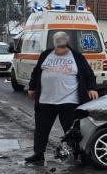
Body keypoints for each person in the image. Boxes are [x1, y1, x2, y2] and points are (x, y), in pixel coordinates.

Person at [25, 32, 99, 164]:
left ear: (67, 40)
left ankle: (77, 156)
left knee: (72, 131)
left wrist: (92, 88)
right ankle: (38, 154)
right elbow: (36, 72)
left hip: (69, 101)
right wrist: (32, 87)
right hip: (45, 100)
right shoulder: (45, 55)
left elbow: (89, 74)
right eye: (57, 39)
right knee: (41, 130)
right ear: (54, 41)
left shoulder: (77, 57)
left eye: (62, 39)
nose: (59, 41)